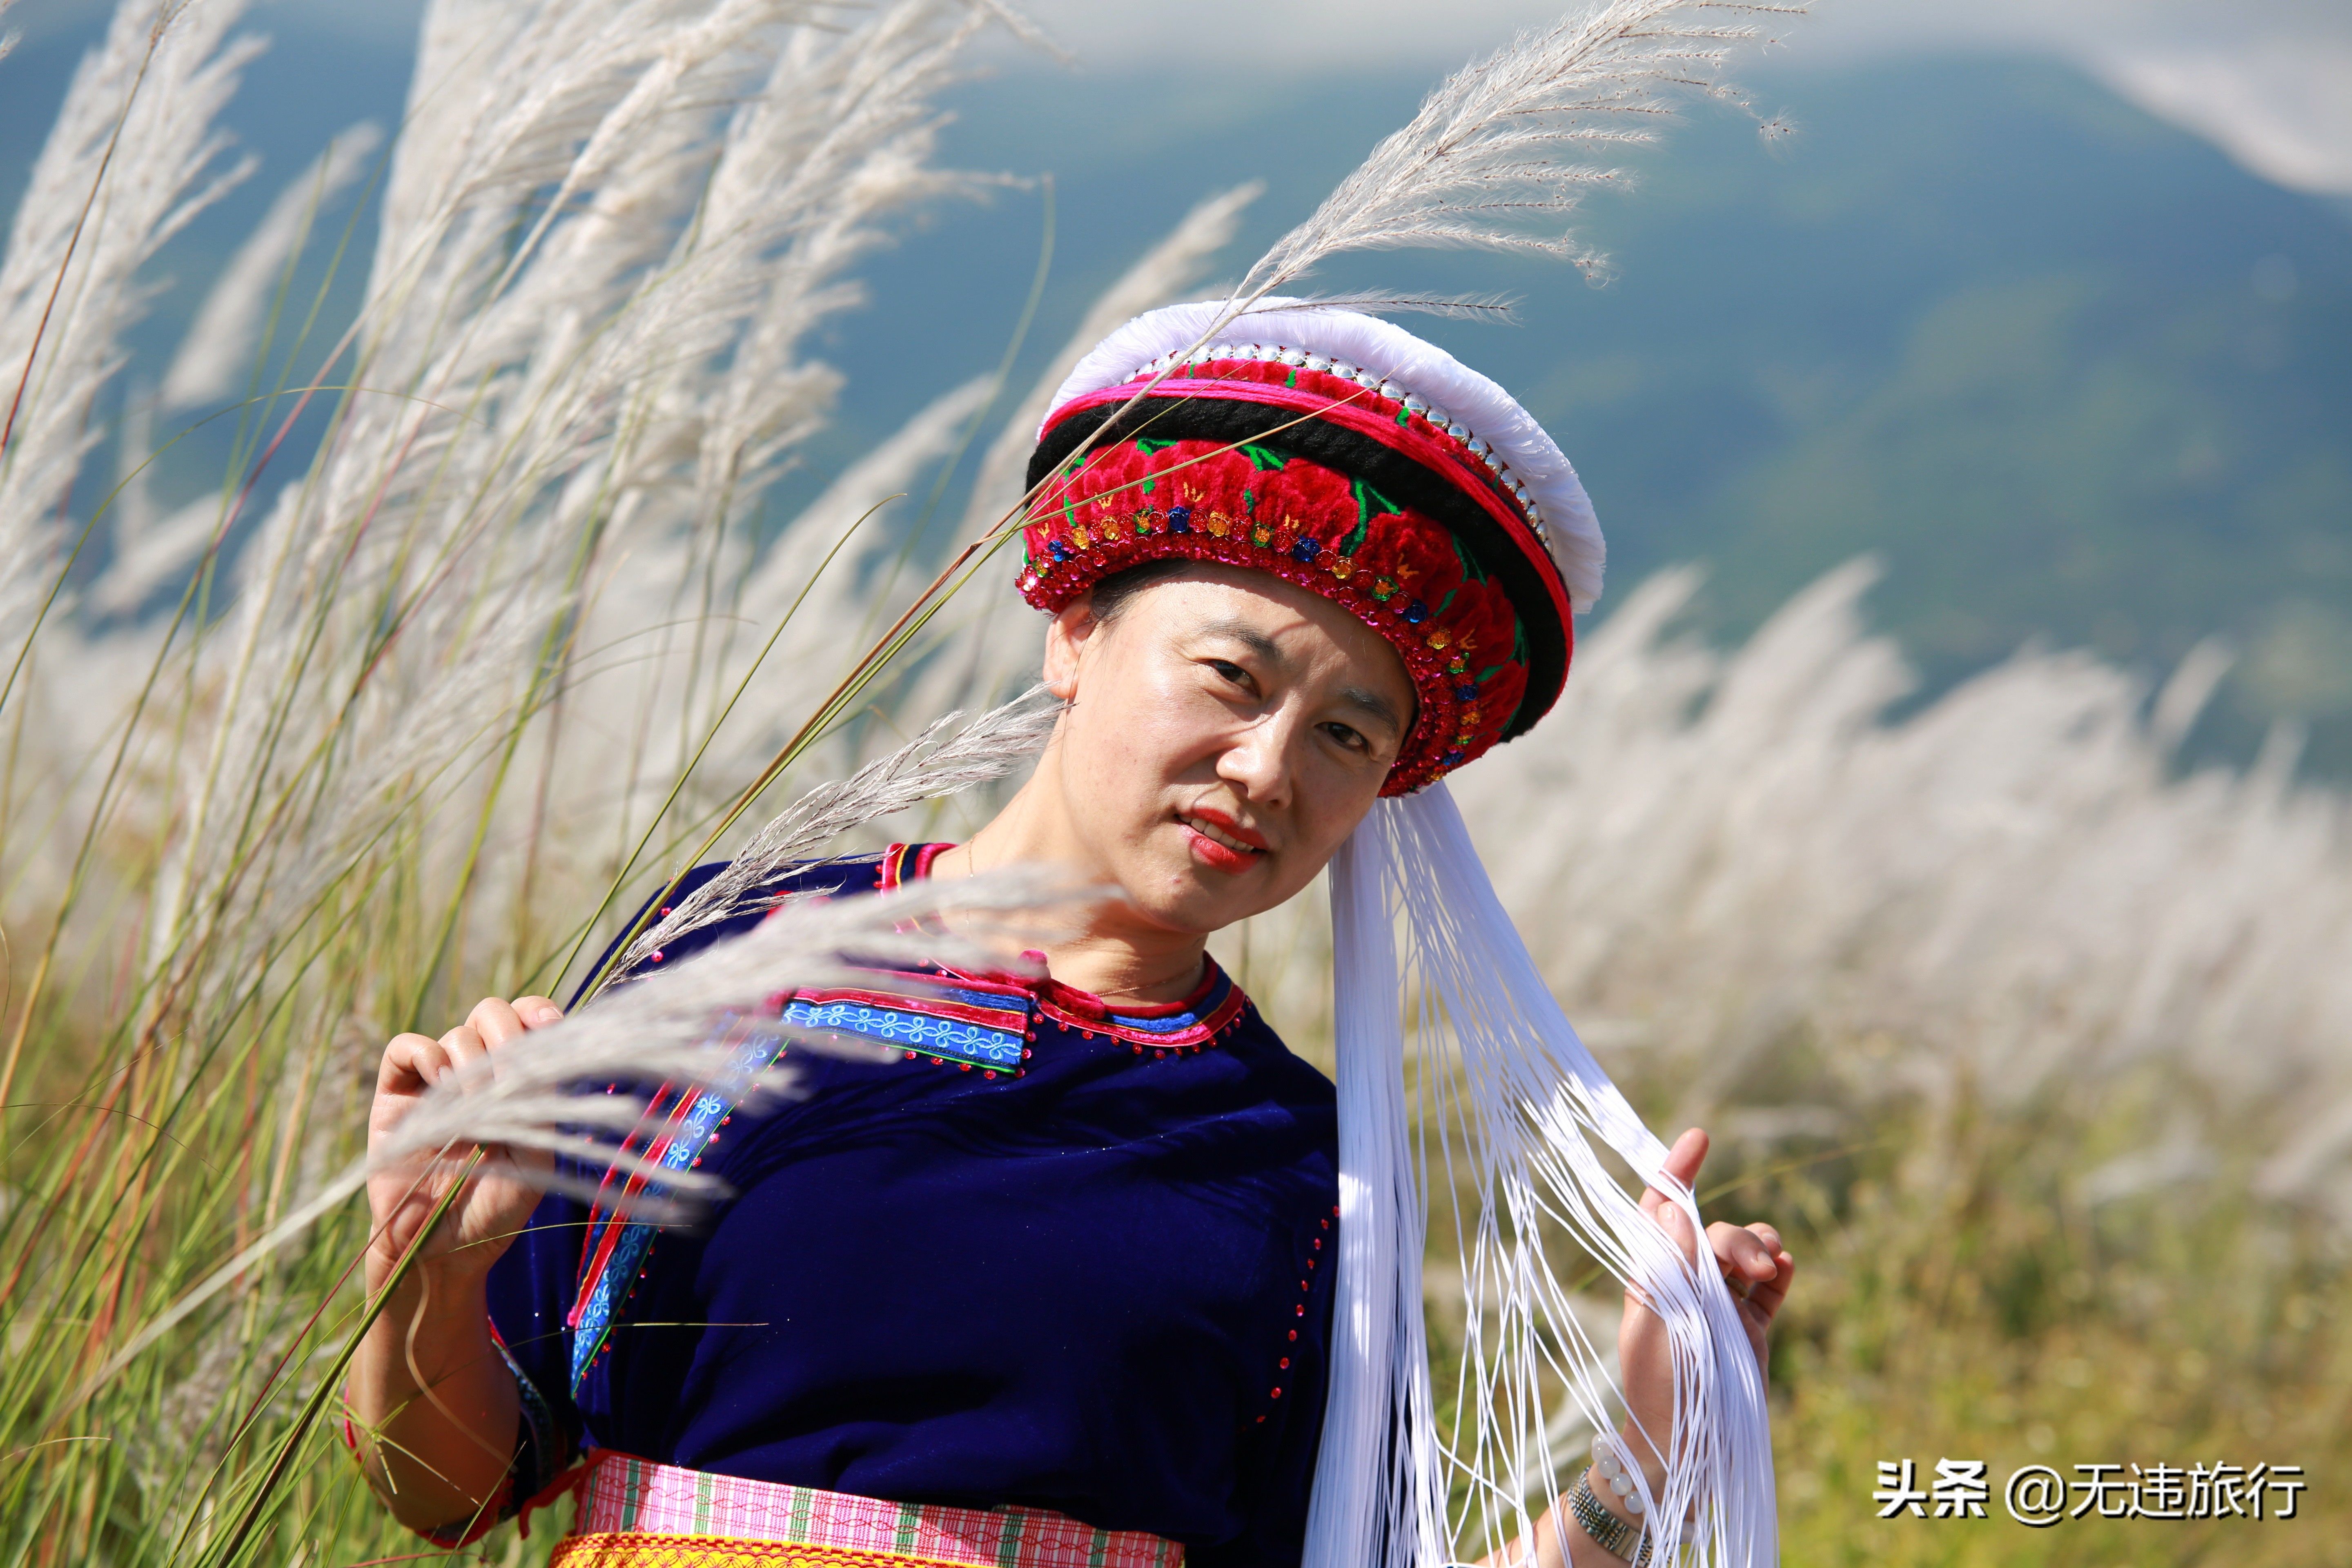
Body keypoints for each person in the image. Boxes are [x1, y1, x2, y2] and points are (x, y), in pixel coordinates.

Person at [348, 303, 1795, 1568]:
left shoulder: (1305, 1169)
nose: (1268, 770)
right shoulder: (740, 954)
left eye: (1348, 735)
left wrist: (1649, 1456)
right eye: (1230, 674)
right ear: (1074, 632)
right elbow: (445, 1492)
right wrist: (431, 1272)